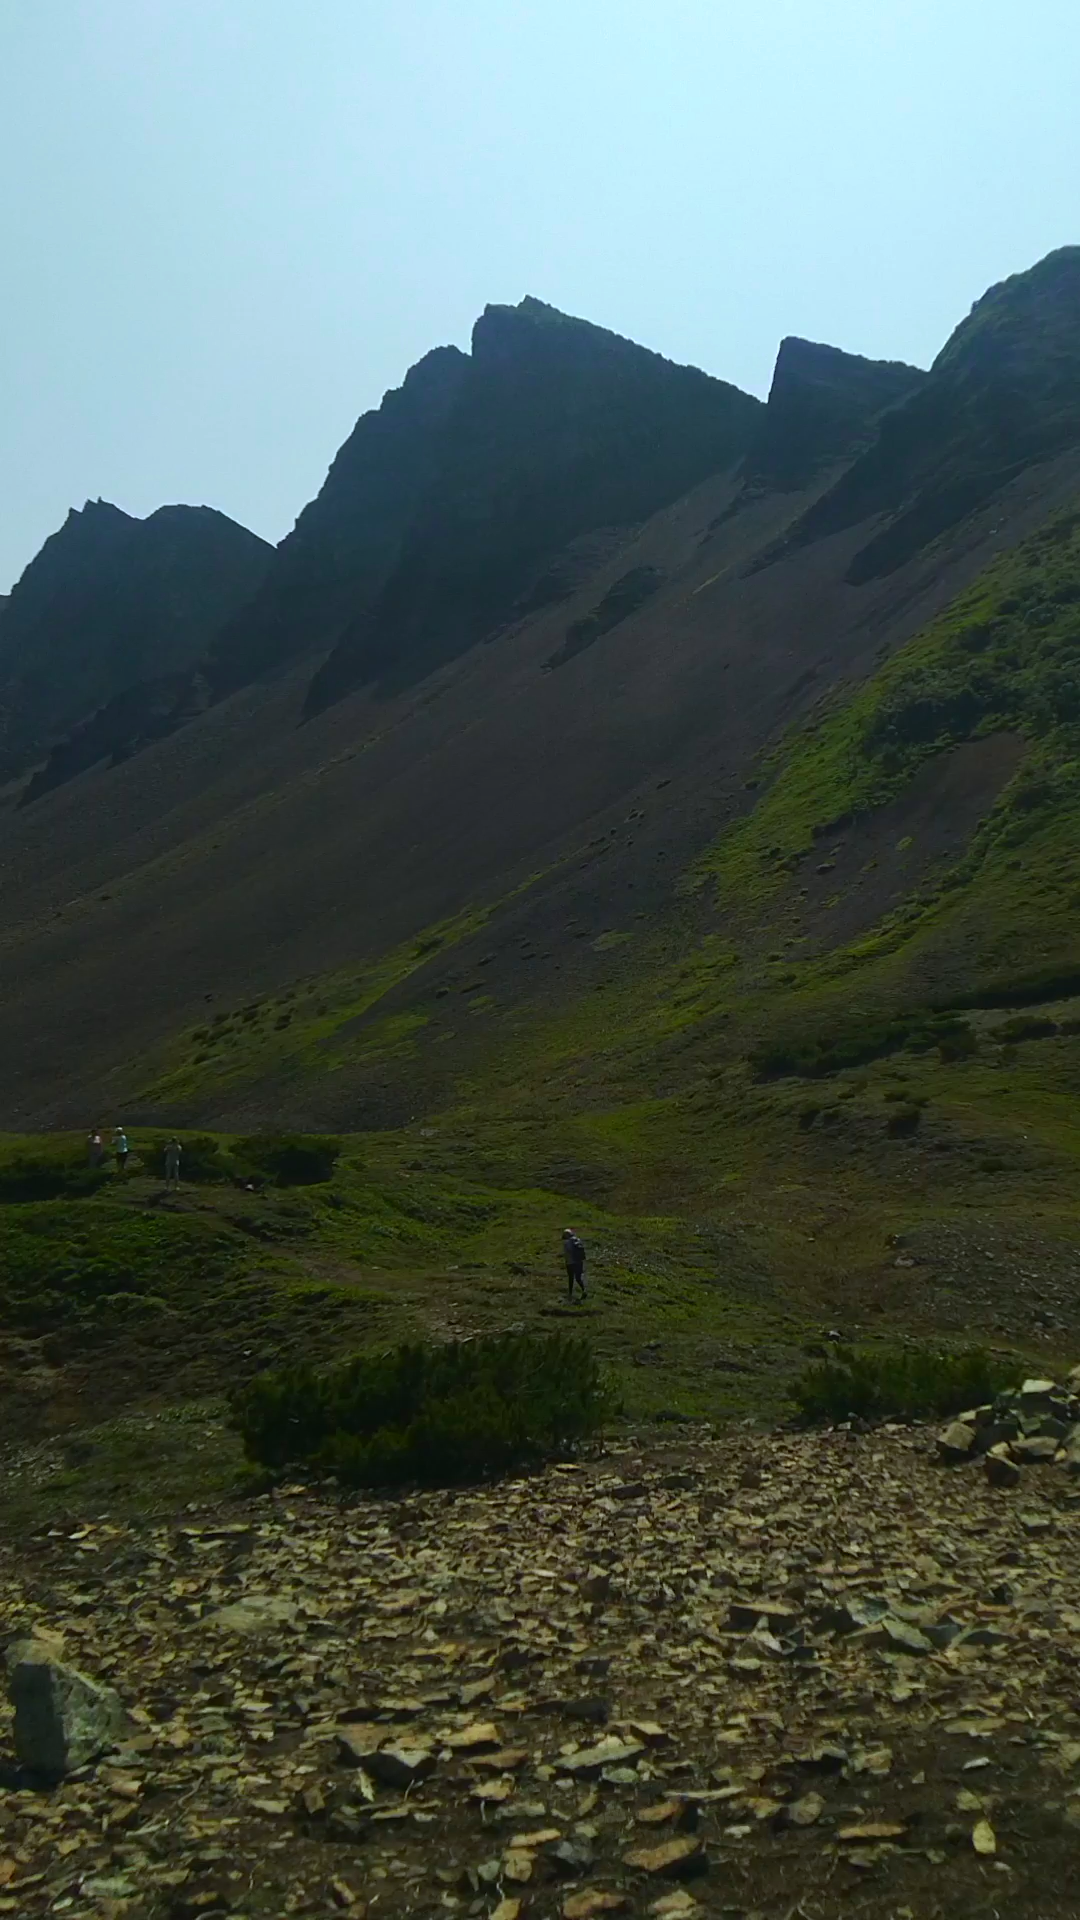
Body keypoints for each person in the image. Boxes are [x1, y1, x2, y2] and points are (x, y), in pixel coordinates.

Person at [562, 1226, 587, 1302]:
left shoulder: (567, 1242)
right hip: (579, 1262)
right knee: (578, 1278)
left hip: (570, 1263)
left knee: (571, 1279)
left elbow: (567, 1253)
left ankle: (570, 1294)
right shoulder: (577, 1240)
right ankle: (584, 1290)